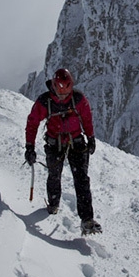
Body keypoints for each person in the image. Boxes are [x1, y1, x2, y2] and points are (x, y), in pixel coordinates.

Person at [24, 68, 101, 235]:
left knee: (81, 179)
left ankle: (87, 219)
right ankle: (53, 204)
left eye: (66, 93)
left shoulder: (78, 99)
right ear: (54, 87)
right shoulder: (45, 102)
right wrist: (29, 146)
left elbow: (87, 118)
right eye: (60, 93)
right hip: (54, 143)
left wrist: (91, 137)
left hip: (76, 142)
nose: (63, 97)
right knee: (54, 174)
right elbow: (33, 122)